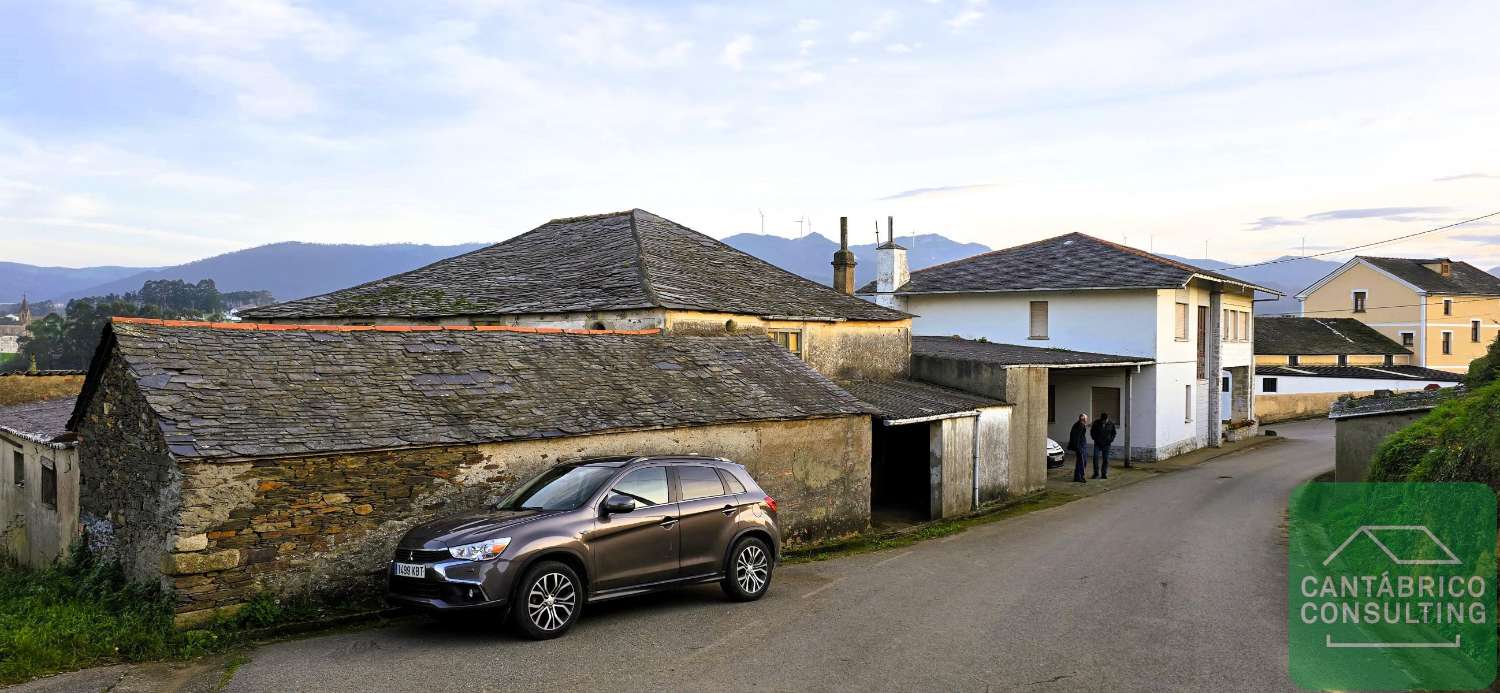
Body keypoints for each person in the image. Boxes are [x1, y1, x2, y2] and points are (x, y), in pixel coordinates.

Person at [1090, 412, 1118, 479]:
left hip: (1107, 445)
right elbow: (1092, 431)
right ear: (1101, 419)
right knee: (1095, 458)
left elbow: (1114, 433)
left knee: (1105, 459)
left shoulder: (1111, 424)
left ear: (1107, 419)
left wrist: (1110, 440)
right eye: (1102, 420)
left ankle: (1103, 474)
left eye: (1105, 420)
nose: (1104, 422)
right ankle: (1096, 473)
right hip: (1097, 444)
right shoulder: (1096, 423)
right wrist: (1095, 438)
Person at [1067, 414, 1089, 483]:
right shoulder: (1080, 426)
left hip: (1081, 447)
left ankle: (1077, 477)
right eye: (1086, 419)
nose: (1086, 420)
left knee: (1079, 462)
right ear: (1083, 419)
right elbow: (1076, 437)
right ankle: (1081, 477)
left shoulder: (1078, 425)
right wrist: (1078, 448)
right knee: (1082, 462)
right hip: (1081, 447)